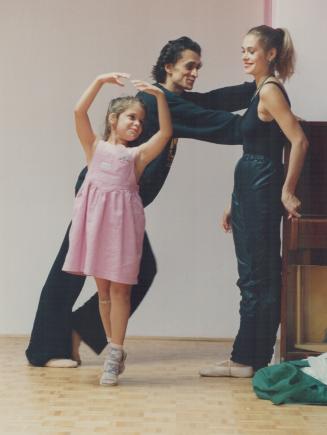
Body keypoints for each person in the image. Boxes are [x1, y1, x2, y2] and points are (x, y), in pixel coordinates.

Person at [26, 36, 256, 368]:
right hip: (100, 195)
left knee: (131, 269)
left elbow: (209, 102)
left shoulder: (170, 101)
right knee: (73, 268)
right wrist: (261, 118)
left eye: (198, 67)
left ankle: (74, 332)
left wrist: (256, 89)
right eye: (189, 66)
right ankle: (45, 349)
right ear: (168, 67)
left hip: (122, 203)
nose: (195, 73)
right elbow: (214, 121)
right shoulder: (157, 102)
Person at [199, 25, 309, 378]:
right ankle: (246, 356)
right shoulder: (259, 91)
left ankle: (250, 358)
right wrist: (235, 202)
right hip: (249, 189)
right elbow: (259, 147)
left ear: (271, 54)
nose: (245, 56)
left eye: (252, 50)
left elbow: (299, 141)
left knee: (258, 277)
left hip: (261, 189)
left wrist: (287, 190)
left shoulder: (271, 91)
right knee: (252, 276)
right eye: (242, 50)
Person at [62, 73, 172, 385]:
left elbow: (165, 133)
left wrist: (161, 97)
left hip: (124, 226)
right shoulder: (94, 147)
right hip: (96, 224)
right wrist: (97, 82)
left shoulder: (136, 155)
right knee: (105, 292)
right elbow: (78, 112)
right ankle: (114, 348)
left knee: (122, 289)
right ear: (113, 119)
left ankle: (114, 353)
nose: (137, 124)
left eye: (140, 120)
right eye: (131, 118)